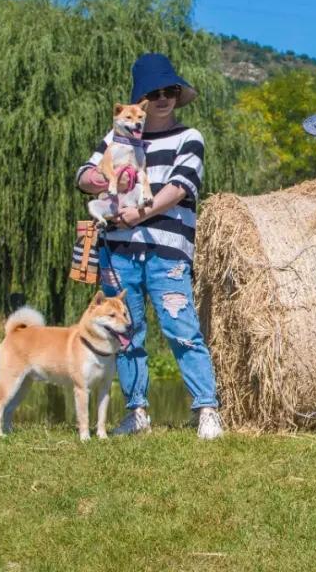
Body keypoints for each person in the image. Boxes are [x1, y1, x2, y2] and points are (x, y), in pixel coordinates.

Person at [76, 52, 223, 439]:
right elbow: (83, 173)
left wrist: (138, 214)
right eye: (154, 92)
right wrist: (99, 180)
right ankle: (136, 412)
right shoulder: (115, 137)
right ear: (141, 97)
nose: (162, 98)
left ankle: (206, 409)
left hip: (167, 250)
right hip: (118, 249)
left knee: (182, 328)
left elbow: (180, 187)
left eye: (170, 90)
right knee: (126, 332)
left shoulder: (188, 138)